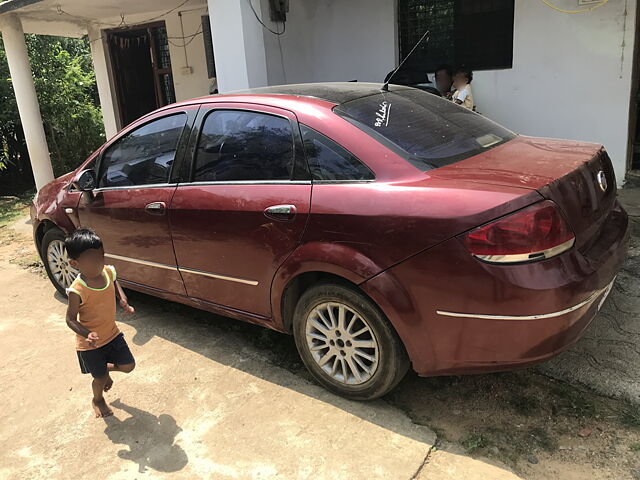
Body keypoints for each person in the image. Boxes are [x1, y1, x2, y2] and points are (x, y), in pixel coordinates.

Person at [64, 228, 136, 418]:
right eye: (92, 259)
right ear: (75, 263)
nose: (98, 262)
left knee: (129, 366)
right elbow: (70, 319)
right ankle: (98, 399)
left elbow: (114, 280)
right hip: (90, 345)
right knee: (99, 378)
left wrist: (123, 299)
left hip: (111, 334)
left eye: (100, 257)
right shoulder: (76, 290)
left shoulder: (106, 271)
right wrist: (87, 333)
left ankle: (105, 369)